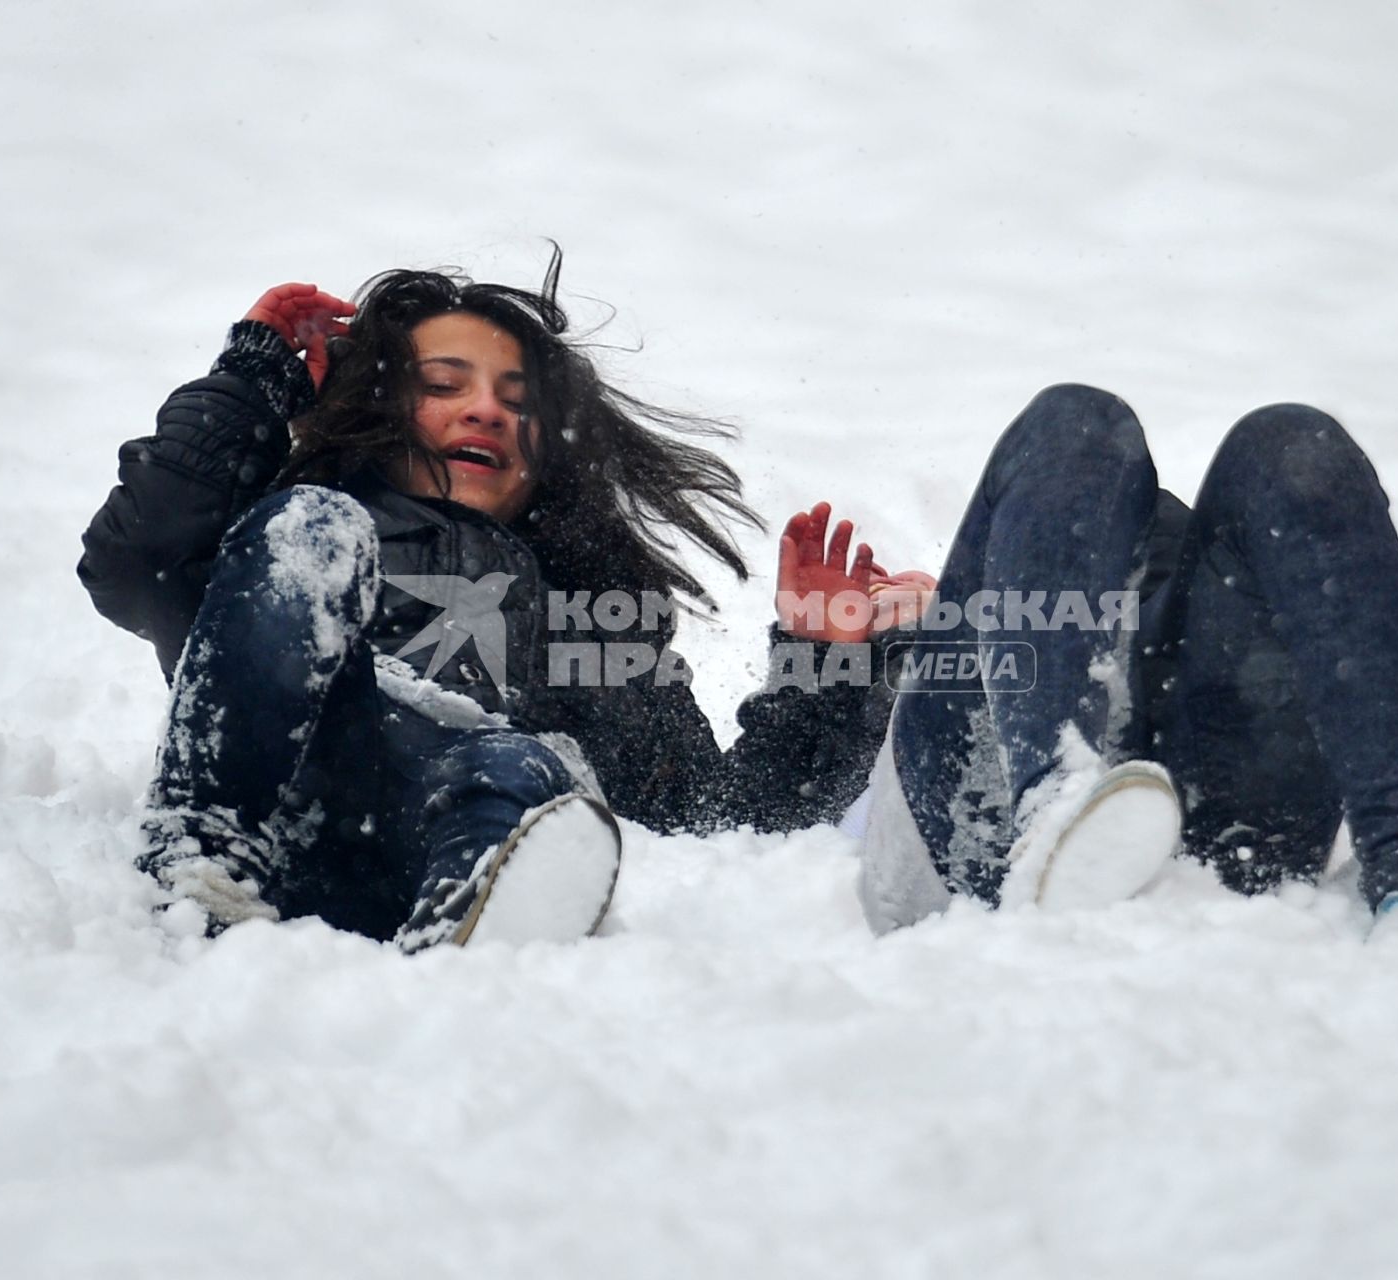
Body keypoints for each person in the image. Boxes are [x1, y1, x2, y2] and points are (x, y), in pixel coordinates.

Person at [80, 257, 922, 948]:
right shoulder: (279, 549)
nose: (488, 407)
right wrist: (254, 377)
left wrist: (828, 655)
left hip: (460, 817)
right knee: (312, 524)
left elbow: (721, 818)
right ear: (379, 409)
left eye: (519, 402)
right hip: (291, 796)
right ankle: (204, 859)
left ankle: (472, 934)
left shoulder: (586, 621)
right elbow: (142, 558)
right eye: (446, 384)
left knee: (524, 766)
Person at [852, 383, 1398, 932]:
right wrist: (817, 659)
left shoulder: (1143, 539)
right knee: (1075, 421)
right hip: (980, 833)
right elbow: (764, 813)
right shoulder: (901, 662)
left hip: (1219, 804)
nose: (886, 590)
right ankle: (1053, 822)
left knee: (1290, 441)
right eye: (878, 599)